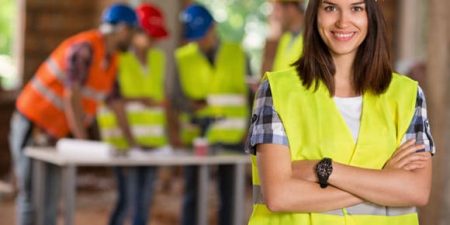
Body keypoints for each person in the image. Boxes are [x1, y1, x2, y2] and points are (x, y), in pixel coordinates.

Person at [246, 0, 434, 225]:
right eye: (330, 8)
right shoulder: (277, 91)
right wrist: (385, 182)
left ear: (370, 16)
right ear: (315, 14)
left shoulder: (408, 95)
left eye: (356, 8)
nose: (343, 21)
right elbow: (279, 196)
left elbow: (417, 191)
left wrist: (325, 170)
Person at [9, 4, 137, 225]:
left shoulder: (112, 60)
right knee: (31, 193)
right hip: (33, 123)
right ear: (123, 29)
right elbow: (72, 95)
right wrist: (83, 142)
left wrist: (132, 143)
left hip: (55, 133)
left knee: (50, 196)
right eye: (133, 31)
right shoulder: (84, 48)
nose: (134, 38)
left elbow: (117, 105)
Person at [172, 3, 250, 225]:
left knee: (231, 193)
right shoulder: (183, 57)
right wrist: (190, 106)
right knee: (193, 193)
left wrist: (250, 130)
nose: (199, 41)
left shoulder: (237, 54)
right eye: (195, 37)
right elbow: (176, 97)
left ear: (213, 27)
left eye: (202, 34)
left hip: (232, 136)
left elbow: (252, 94)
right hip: (197, 135)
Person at [97, 3, 170, 225]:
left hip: (151, 143)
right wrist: (139, 100)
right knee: (126, 199)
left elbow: (162, 101)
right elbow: (109, 99)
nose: (154, 42)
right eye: (150, 36)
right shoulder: (119, 58)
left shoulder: (158, 59)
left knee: (144, 200)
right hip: (122, 142)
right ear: (135, 31)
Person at [261, 0, 305, 73]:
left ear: (291, 9)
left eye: (276, 9)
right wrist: (272, 41)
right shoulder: (285, 39)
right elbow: (266, 79)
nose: (273, 15)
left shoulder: (313, 39)